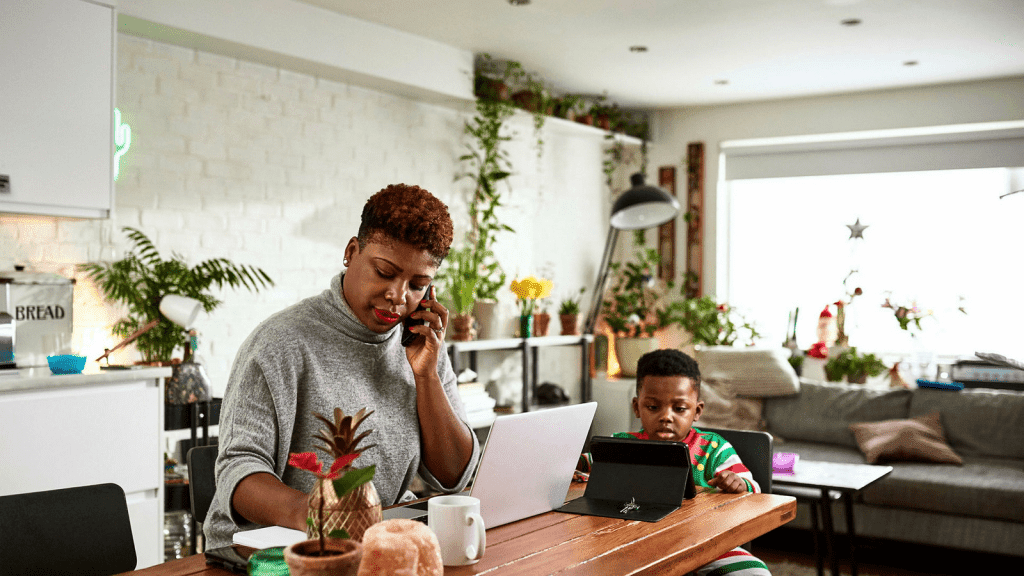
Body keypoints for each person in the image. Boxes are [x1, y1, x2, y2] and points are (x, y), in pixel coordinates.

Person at [204, 184, 481, 549]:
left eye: (417, 284)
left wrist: (426, 376)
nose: (398, 296)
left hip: (368, 545)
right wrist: (320, 515)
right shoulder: (279, 343)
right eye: (384, 272)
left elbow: (454, 477)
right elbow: (237, 472)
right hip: (267, 557)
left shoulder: (421, 345)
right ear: (352, 252)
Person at [575, 348, 770, 576]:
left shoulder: (713, 448)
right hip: (633, 545)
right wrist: (574, 470)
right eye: (653, 407)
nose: (666, 416)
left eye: (679, 408)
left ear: (697, 411)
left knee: (754, 572)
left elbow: (755, 490)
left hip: (705, 543)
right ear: (637, 407)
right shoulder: (621, 445)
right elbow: (584, 465)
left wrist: (739, 483)